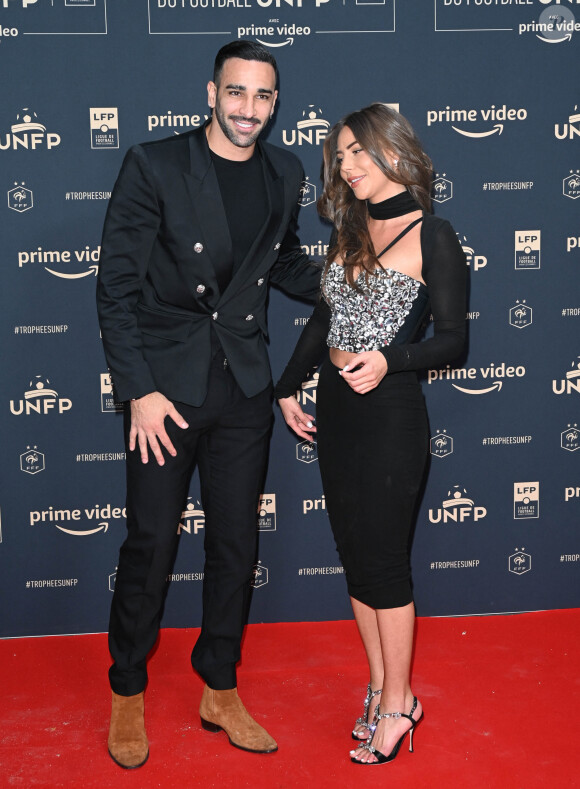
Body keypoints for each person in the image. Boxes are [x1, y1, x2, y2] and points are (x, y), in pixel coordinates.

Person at [96, 40, 321, 769]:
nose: (249, 110)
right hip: (164, 392)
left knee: (235, 544)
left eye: (263, 97)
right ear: (210, 93)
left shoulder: (286, 171)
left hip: (244, 387)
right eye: (236, 93)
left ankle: (218, 686)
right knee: (152, 544)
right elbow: (115, 290)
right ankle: (127, 689)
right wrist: (139, 391)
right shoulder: (154, 164)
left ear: (275, 102)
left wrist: (342, 282)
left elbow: (279, 259)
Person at [275, 104, 467, 765]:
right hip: (337, 407)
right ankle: (382, 684)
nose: (346, 165)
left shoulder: (433, 234)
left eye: (358, 151)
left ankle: (400, 704)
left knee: (384, 563)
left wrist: (391, 358)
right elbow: (321, 322)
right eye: (340, 155)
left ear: (394, 152)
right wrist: (285, 386)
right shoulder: (351, 230)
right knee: (356, 558)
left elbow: (454, 340)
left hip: (389, 413)